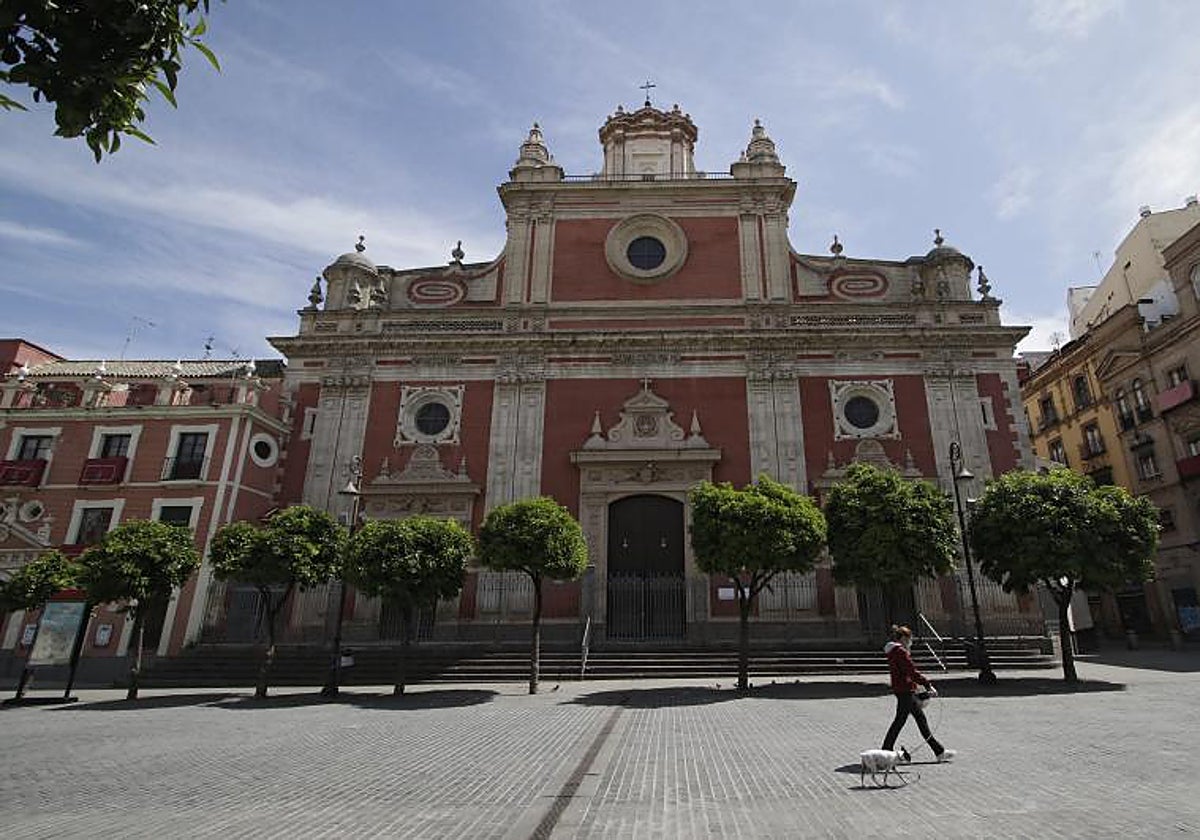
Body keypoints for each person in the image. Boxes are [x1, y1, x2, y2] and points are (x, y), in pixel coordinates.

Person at [881, 625, 956, 762]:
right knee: (900, 722)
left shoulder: (894, 651)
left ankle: (939, 751)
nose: (911, 641)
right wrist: (927, 685)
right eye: (909, 638)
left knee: (919, 721)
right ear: (903, 638)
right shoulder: (900, 652)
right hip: (905, 690)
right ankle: (885, 753)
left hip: (903, 689)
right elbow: (912, 672)